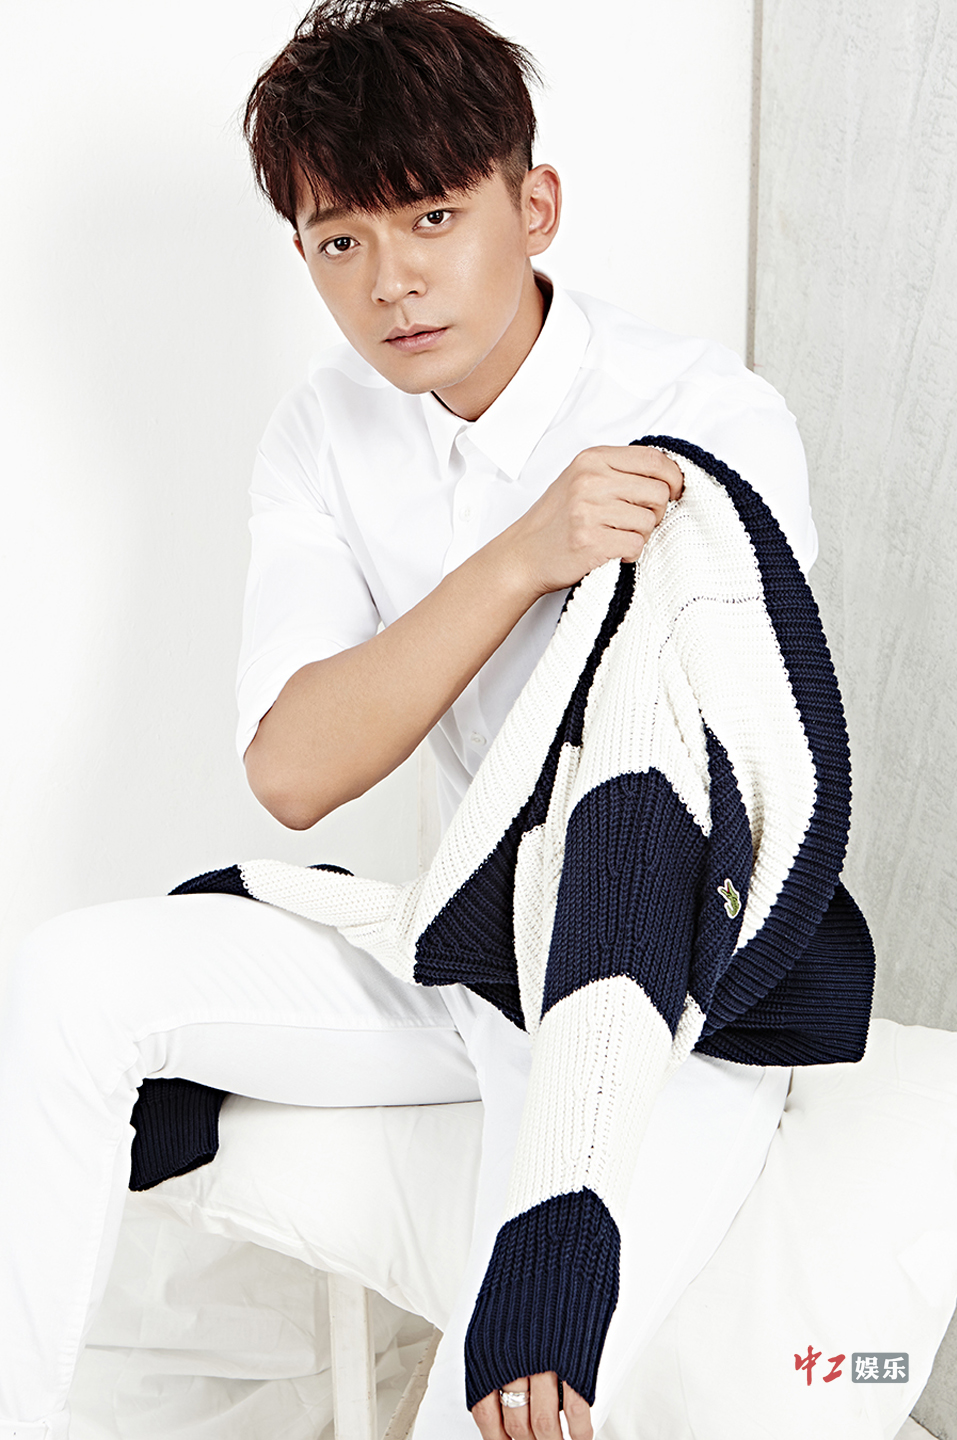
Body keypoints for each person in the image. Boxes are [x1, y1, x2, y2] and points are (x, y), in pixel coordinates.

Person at [0, 3, 820, 1438]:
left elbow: (721, 782)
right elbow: (295, 769)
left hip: (668, 987)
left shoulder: (706, 415)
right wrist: (520, 556)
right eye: (341, 241)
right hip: (468, 951)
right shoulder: (328, 430)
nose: (393, 282)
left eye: (435, 217)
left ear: (534, 205)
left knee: (498, 1394)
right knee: (57, 983)